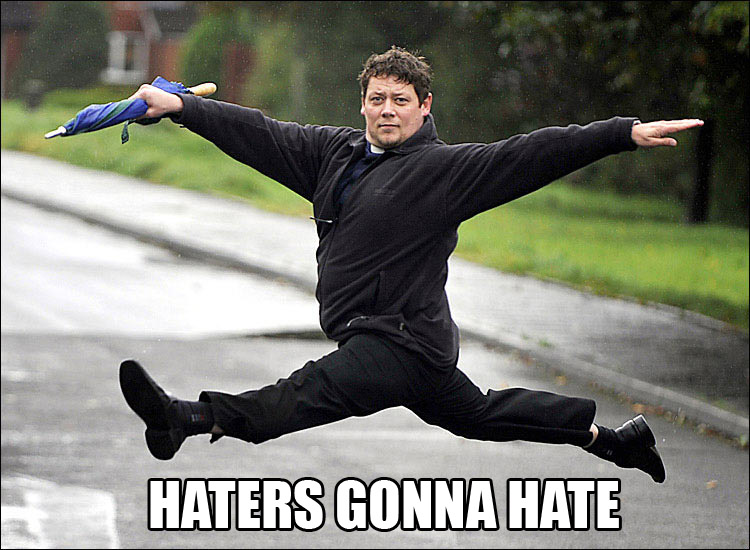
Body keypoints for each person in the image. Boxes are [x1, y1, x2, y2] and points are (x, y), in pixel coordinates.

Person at [120, 46, 703, 483]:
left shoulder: (444, 172)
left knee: (304, 392)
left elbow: (531, 153)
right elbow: (260, 133)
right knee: (479, 414)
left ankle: (188, 418)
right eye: (378, 99)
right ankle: (612, 440)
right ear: (363, 104)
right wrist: (182, 107)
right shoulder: (334, 154)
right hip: (416, 347)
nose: (387, 110)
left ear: (424, 107)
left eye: (401, 101)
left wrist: (621, 134)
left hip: (396, 341)